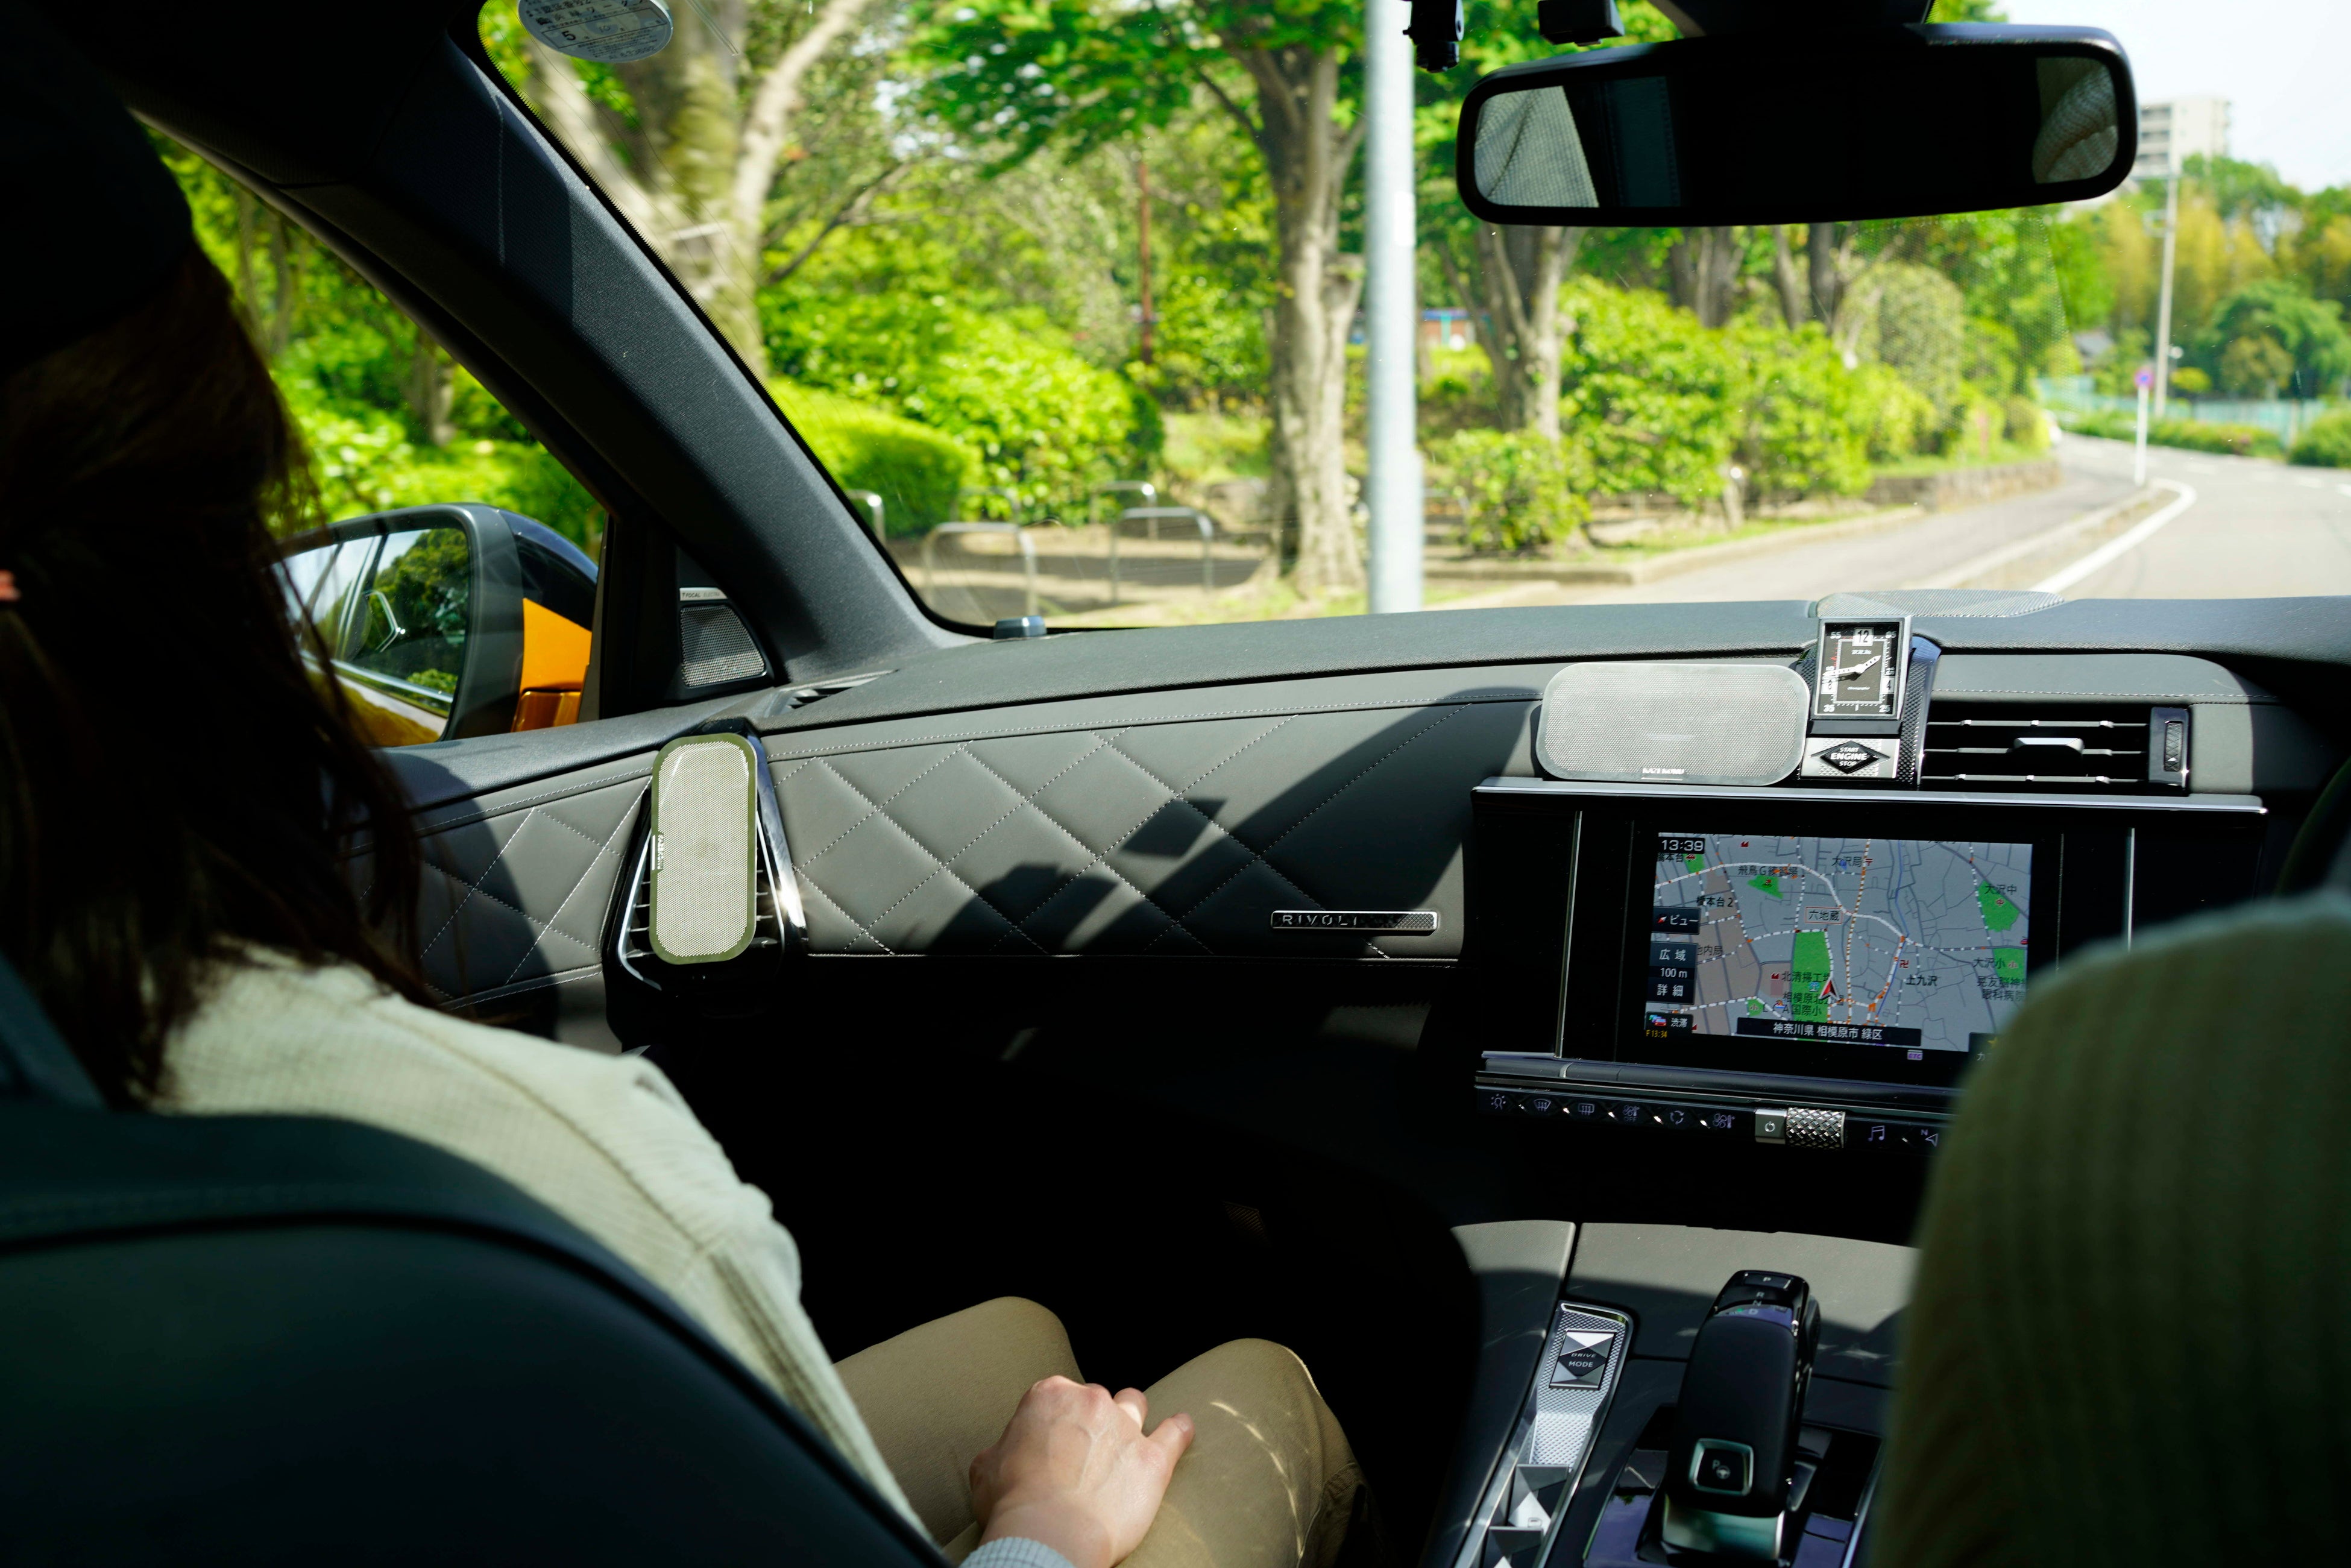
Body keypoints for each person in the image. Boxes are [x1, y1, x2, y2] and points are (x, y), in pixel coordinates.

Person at [0, 15, 1367, 1568]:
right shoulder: (496, 1160)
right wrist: (1042, 1532)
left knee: (1016, 1345)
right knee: (1259, 1394)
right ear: (193, 564)